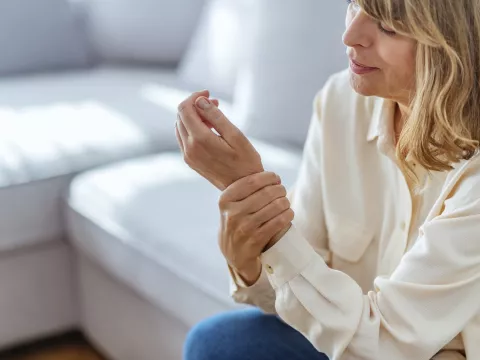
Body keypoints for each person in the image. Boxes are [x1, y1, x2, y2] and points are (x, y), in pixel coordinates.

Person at [175, 0, 480, 359]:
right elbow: (301, 289)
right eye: (355, 4)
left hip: (396, 347)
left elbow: (387, 343)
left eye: (389, 25)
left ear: (454, 43)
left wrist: (258, 202)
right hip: (356, 337)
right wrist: (251, 238)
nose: (350, 35)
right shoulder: (341, 101)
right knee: (218, 343)